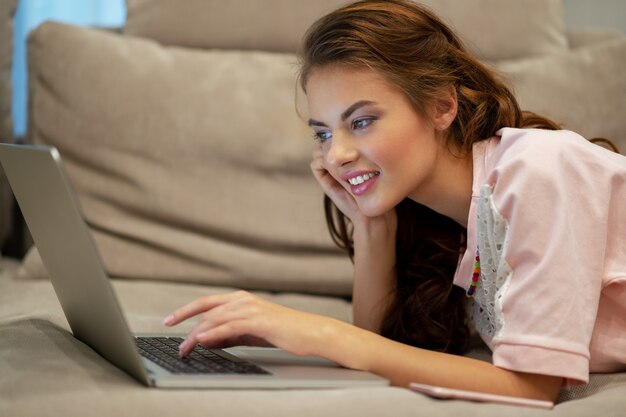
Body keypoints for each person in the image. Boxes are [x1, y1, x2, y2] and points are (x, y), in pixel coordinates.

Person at [162, 0, 626, 402]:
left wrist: (320, 333)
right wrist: (372, 224)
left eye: (361, 121)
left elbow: (530, 387)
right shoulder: (457, 221)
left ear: (443, 106)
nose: (336, 155)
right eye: (323, 133)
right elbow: (379, 345)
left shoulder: (537, 169)